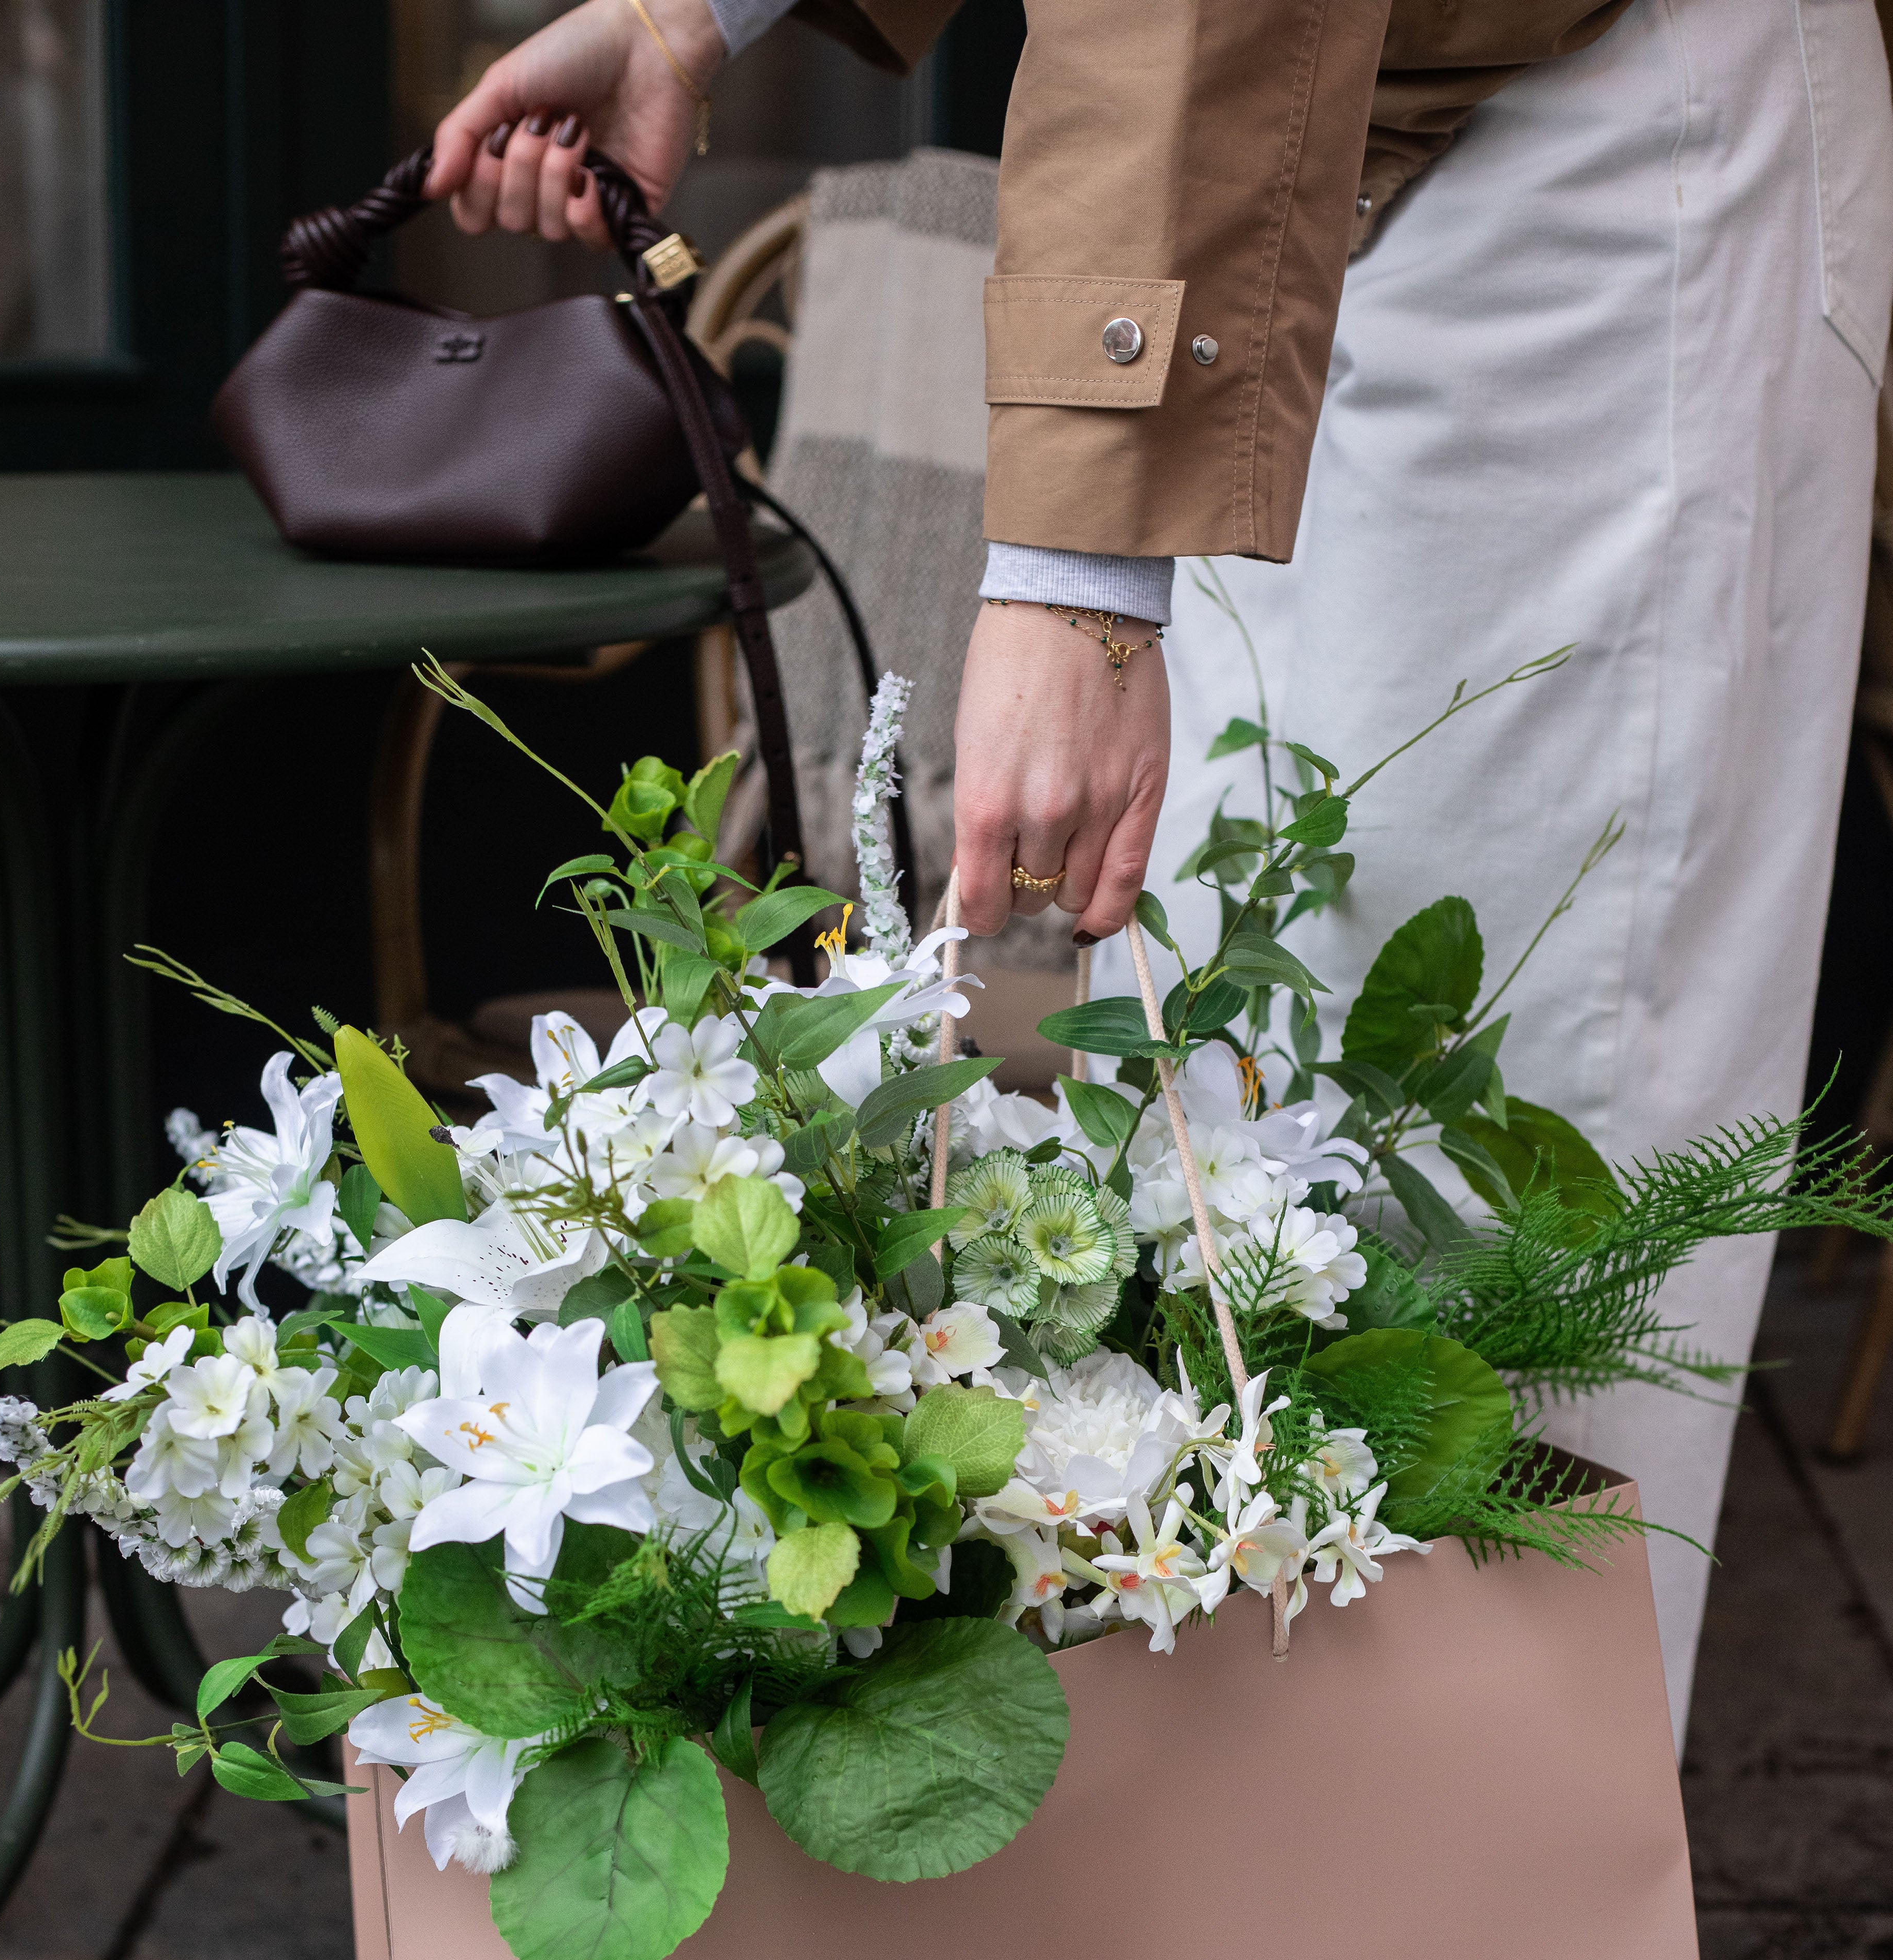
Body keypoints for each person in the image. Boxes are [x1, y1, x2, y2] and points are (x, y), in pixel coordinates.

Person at [431, 0, 1893, 1729]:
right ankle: (1249, 1926)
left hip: (1569, 155)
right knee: (1239, 1127)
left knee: (1499, 1157)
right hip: (1282, 178)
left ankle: (1469, 1943)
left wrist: (1076, 577)